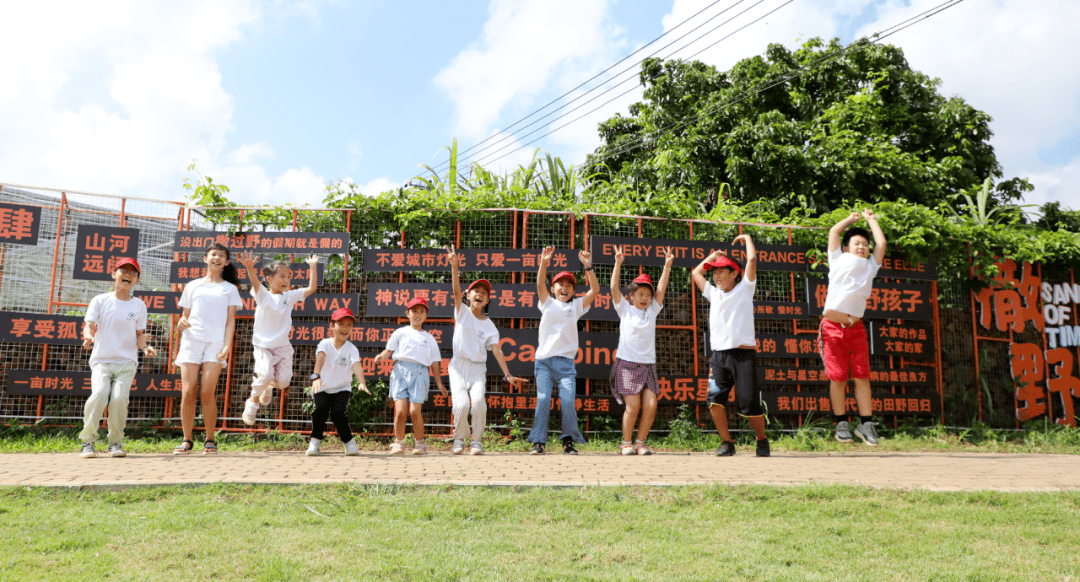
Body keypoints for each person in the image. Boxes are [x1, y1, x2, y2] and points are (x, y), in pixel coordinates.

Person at [691, 235, 770, 457]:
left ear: (735, 273)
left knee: (748, 403)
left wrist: (747, 238)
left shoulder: (745, 288)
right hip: (718, 358)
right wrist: (712, 258)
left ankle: (761, 439)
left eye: (721, 271)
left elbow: (752, 260)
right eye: (714, 272)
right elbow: (696, 273)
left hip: (743, 357)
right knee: (714, 401)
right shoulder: (713, 293)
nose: (716, 275)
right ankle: (727, 442)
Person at [445, 245, 523, 455]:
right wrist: (455, 267)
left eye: (484, 293)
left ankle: (476, 441)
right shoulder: (461, 312)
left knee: (478, 403)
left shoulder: (490, 325)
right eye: (475, 292)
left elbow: (497, 351)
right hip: (458, 367)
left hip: (478, 369)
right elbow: (455, 290)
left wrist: (507, 374)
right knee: (461, 405)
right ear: (468, 296)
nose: (479, 294)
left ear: (487, 301)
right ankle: (459, 439)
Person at [78, 258, 157, 458]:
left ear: (136, 280)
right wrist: (89, 336)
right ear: (114, 274)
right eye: (124, 271)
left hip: (127, 363)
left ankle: (115, 442)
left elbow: (140, 335)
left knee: (120, 399)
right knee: (99, 395)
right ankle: (88, 442)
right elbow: (89, 324)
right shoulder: (100, 300)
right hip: (102, 361)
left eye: (133, 273)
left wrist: (146, 348)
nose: (128, 275)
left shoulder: (139, 305)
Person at [821, 210, 887, 445]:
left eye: (865, 244)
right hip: (832, 327)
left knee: (862, 376)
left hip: (855, 328)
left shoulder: (870, 266)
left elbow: (882, 242)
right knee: (838, 378)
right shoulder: (837, 258)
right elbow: (834, 231)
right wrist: (851, 219)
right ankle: (841, 425)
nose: (862, 247)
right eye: (857, 243)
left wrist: (871, 220)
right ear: (846, 248)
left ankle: (866, 425)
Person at [528, 246, 600, 455]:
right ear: (553, 288)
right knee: (542, 399)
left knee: (567, 401)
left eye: (569, 284)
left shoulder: (576, 306)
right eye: (560, 283)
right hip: (543, 363)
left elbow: (594, 290)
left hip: (566, 364)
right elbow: (539, 283)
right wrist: (544, 262)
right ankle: (539, 442)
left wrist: (588, 267)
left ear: (573, 290)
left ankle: (568, 441)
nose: (565, 287)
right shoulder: (547, 303)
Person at [173, 243, 242, 455]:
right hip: (192, 341)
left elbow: (231, 321)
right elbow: (185, 315)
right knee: (188, 391)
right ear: (205, 258)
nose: (217, 258)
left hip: (215, 343)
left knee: (207, 391)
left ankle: (210, 439)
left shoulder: (230, 289)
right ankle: (186, 439)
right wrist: (182, 322)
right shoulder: (192, 285)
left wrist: (227, 345)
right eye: (213, 254)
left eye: (221, 256)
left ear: (226, 262)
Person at [237, 252, 319, 425]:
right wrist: (250, 268)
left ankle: (267, 385)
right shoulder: (263, 295)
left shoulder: (289, 297)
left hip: (282, 347)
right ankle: (252, 402)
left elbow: (311, 289)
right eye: (282, 276)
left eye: (288, 276)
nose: (286, 280)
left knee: (282, 383)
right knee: (266, 374)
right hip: (263, 346)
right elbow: (255, 283)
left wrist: (313, 267)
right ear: (269, 278)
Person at [609, 246, 675, 456]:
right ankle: (625, 443)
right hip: (627, 364)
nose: (645, 297)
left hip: (648, 365)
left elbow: (662, 290)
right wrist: (618, 263)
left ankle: (640, 443)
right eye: (640, 294)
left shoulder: (652, 311)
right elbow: (613, 288)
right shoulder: (624, 308)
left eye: (648, 294)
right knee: (633, 406)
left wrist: (667, 266)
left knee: (651, 404)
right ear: (632, 295)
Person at [373, 296, 447, 455]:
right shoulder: (400, 332)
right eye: (414, 311)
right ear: (407, 313)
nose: (417, 314)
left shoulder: (429, 338)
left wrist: (439, 383)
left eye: (422, 311)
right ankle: (398, 443)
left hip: (420, 374)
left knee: (414, 411)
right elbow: (389, 350)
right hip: (400, 372)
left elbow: (435, 363)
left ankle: (420, 444)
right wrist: (382, 355)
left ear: (426, 315)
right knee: (400, 412)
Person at [307, 308, 370, 456]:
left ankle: (350, 444)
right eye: (341, 323)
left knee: (337, 413)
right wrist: (316, 376)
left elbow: (357, 365)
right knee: (320, 411)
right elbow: (320, 359)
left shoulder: (352, 349)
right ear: (332, 325)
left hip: (343, 388)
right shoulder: (325, 344)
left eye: (349, 325)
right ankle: (314, 443)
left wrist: (362, 382)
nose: (345, 328)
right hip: (322, 386)